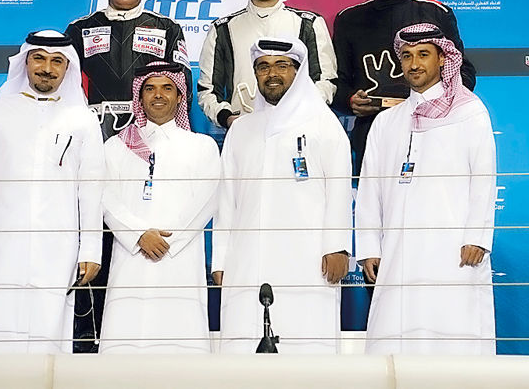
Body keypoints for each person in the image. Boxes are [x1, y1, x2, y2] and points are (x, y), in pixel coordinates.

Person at [64, 0, 191, 351]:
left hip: (147, 142)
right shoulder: (79, 29)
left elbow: (181, 90)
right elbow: (66, 92)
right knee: (93, 229)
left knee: (137, 225)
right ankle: (86, 336)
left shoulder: (167, 29)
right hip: (94, 139)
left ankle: (140, 335)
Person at [0, 30, 106, 354]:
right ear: (26, 62)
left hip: (57, 248)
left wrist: (90, 249)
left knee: (47, 330)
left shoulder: (83, 120)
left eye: (57, 61)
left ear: (68, 67)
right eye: (39, 59)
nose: (47, 68)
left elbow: (91, 191)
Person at [355, 23, 496, 355]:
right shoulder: (386, 121)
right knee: (394, 340)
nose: (414, 64)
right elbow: (370, 187)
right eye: (406, 56)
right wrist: (369, 246)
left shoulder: (469, 112)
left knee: (453, 339)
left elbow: (484, 178)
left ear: (442, 59)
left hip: (453, 251)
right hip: (398, 253)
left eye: (423, 55)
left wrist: (477, 237)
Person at [212, 37, 352, 353]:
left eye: (281, 65)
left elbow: (339, 189)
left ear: (298, 72)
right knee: (242, 350)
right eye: (263, 67)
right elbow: (226, 201)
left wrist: (337, 246)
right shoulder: (241, 129)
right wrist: (221, 258)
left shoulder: (323, 123)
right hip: (246, 259)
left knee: (306, 349)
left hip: (308, 259)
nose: (272, 74)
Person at [99, 61, 220, 353]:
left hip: (180, 258)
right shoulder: (117, 145)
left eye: (167, 88)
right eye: (150, 89)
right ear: (139, 98)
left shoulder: (201, 146)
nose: (158, 95)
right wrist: (139, 234)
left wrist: (168, 240)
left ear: (179, 96)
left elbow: (208, 199)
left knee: (179, 341)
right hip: (131, 256)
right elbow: (103, 195)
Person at [332, 0, 476, 174]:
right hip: (372, 133)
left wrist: (433, 101)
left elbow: (464, 74)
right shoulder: (348, 20)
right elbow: (337, 83)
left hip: (433, 129)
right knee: (376, 198)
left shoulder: (436, 13)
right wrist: (350, 101)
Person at [198, 0, 337, 129]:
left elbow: (326, 82)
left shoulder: (309, 24)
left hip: (298, 130)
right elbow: (207, 90)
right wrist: (229, 119)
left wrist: (300, 114)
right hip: (243, 132)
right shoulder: (222, 29)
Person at [65, 0, 191, 138]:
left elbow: (183, 87)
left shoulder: (167, 28)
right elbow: (65, 84)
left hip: (150, 130)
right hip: (93, 130)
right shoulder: (80, 29)